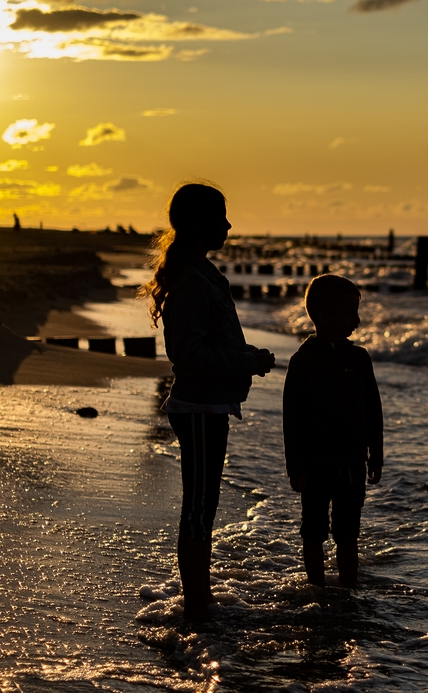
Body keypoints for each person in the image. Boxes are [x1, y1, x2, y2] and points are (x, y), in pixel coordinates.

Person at [140, 182, 276, 622]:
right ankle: (197, 602)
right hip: (198, 407)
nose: (229, 225)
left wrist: (245, 359)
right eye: (221, 217)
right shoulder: (195, 280)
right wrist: (247, 361)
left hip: (207, 406)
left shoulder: (200, 272)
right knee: (200, 506)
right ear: (201, 224)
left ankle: (200, 595)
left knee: (205, 503)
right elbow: (188, 352)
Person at [283, 275, 383, 588]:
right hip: (314, 466)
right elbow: (292, 419)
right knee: (313, 530)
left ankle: (348, 589)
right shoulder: (303, 361)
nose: (357, 320)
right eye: (350, 313)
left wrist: (376, 454)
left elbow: (373, 410)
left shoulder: (359, 358)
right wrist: (295, 468)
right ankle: (317, 588)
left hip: (353, 463)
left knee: (348, 531)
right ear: (324, 316)